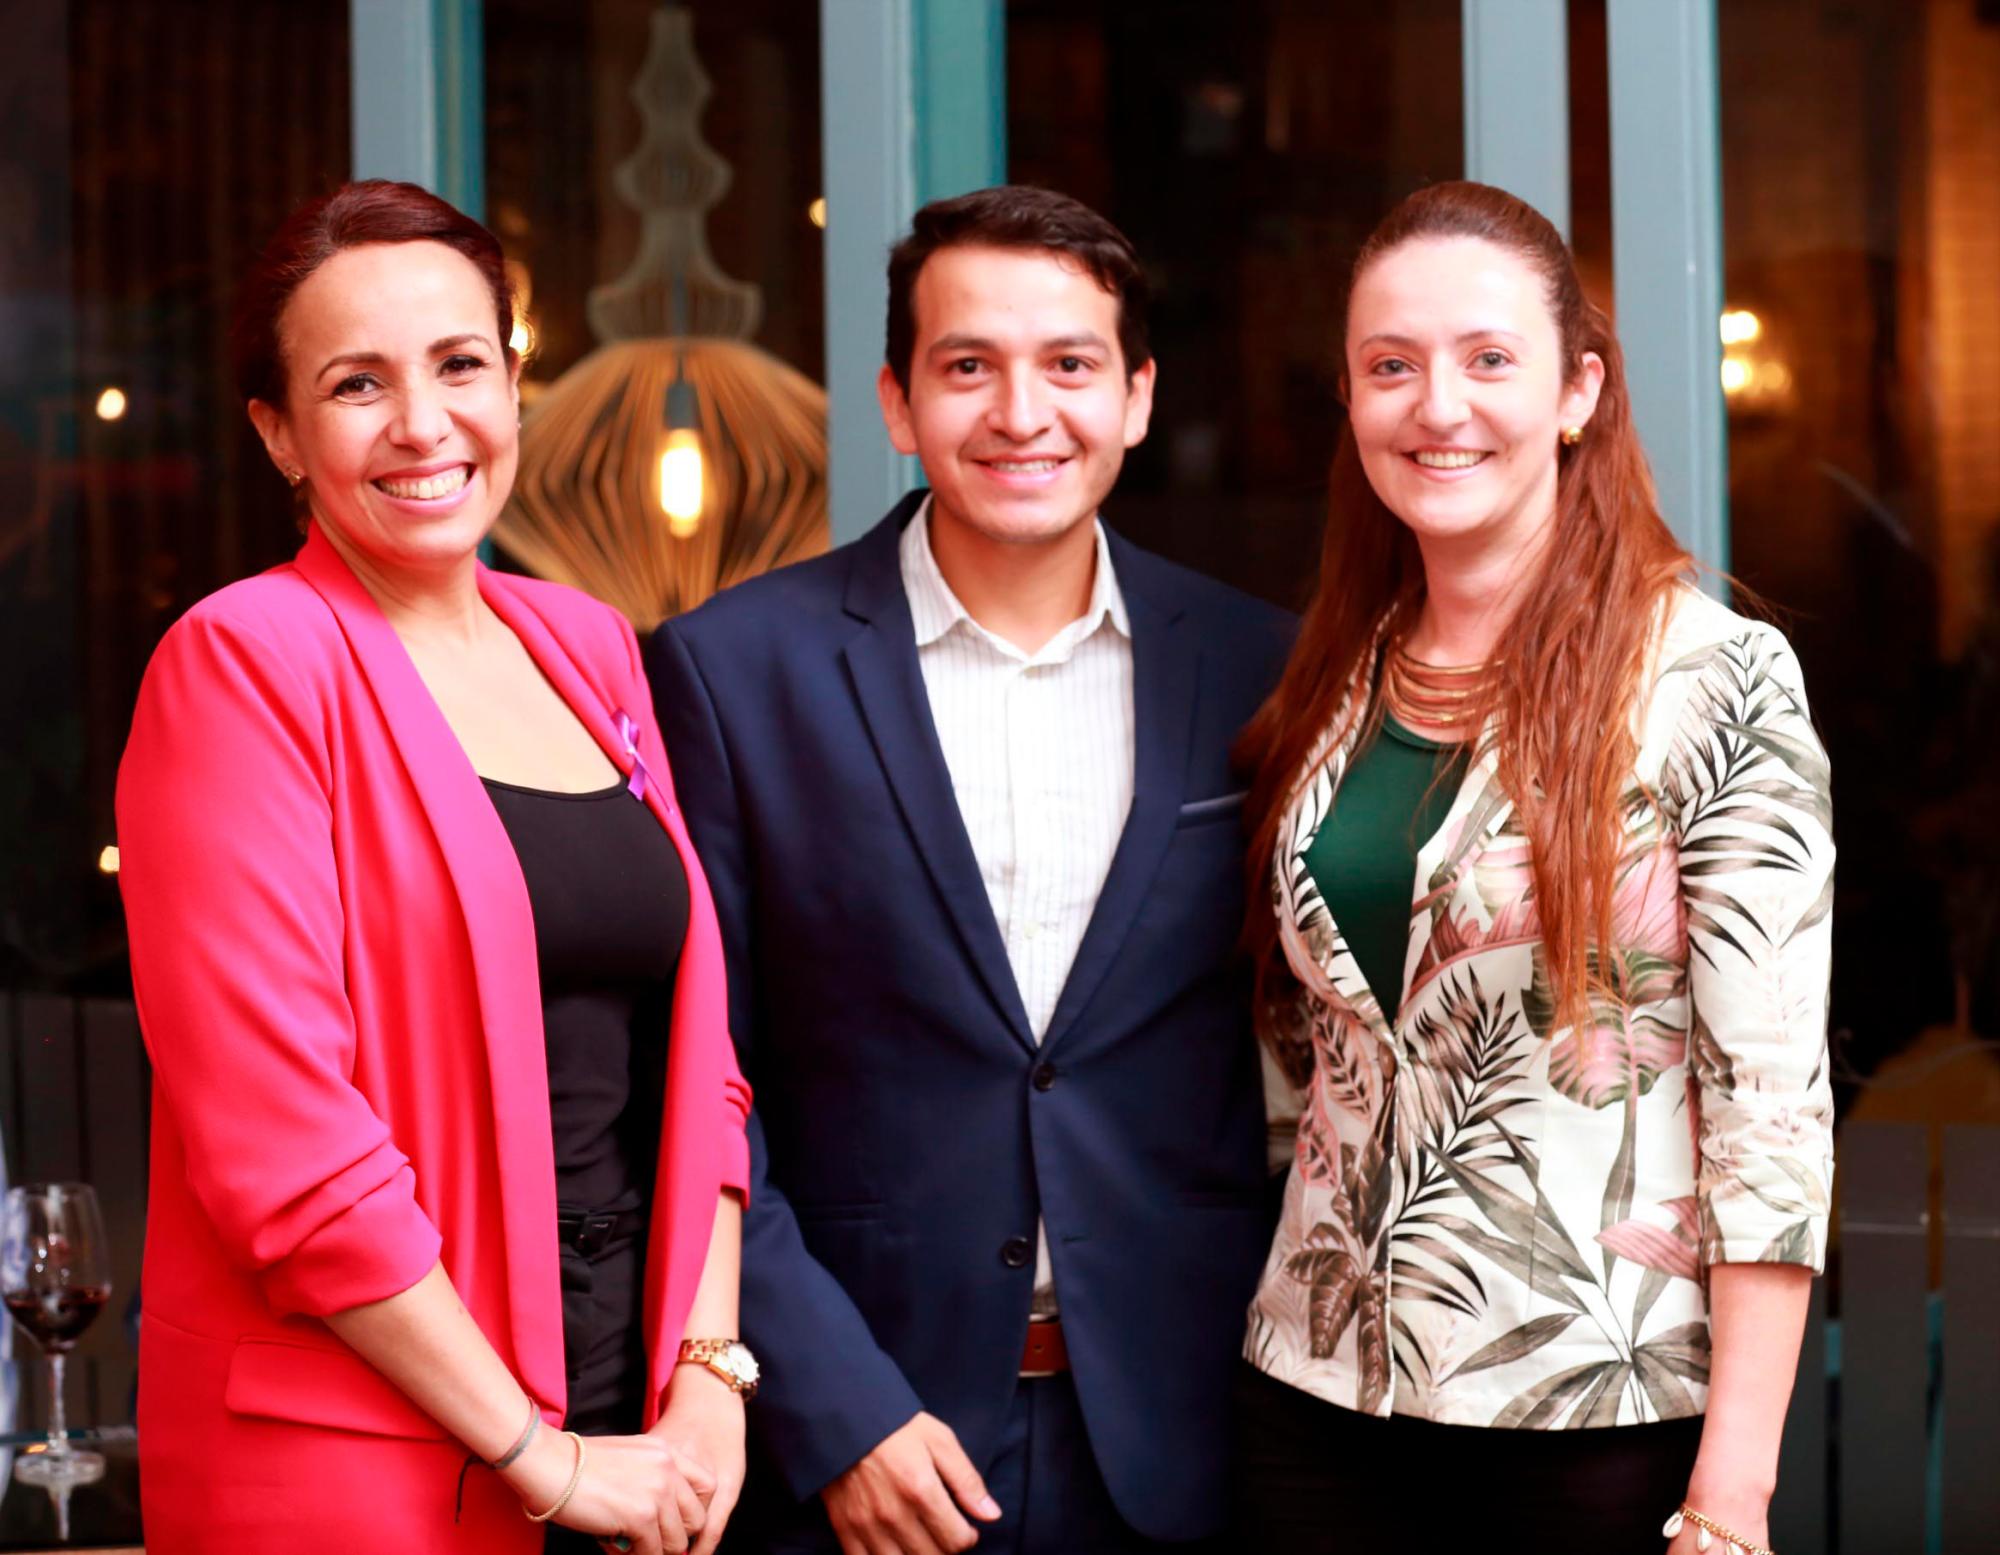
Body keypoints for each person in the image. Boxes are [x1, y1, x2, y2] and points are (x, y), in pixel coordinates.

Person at [647, 185, 1293, 1554]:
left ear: (1134, 396)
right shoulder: (733, 673)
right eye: (967, 367)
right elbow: (694, 1077)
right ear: (896, 402)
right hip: (865, 1451)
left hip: (1191, 1443)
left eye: (1068, 364)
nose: (1020, 412)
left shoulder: (1262, 669)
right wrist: (831, 1406)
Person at [117, 181, 756, 1555]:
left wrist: (710, 1377)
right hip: (375, 1461)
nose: (423, 423)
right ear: (278, 434)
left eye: (461, 365)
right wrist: (541, 1457)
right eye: (357, 384)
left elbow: (697, 1059)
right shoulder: (243, 665)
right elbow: (284, 1150)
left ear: (514, 387)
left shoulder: (587, 647)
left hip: (639, 1430)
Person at [1231, 180, 1835, 1554]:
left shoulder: (1714, 680)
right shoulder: (1335, 678)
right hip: (1312, 1399)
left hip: (1591, 1417)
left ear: (1577, 391)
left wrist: (1730, 1501)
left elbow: (1771, 1122)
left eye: (1487, 359)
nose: (1437, 405)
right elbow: (1317, 1049)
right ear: (1352, 399)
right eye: (1392, 367)